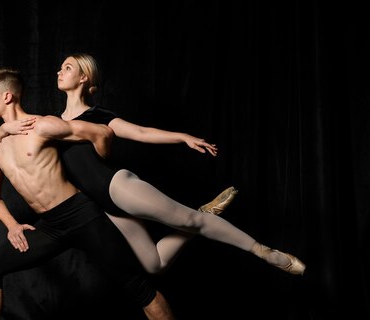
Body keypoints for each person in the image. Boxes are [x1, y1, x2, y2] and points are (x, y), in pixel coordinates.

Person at [0, 68, 209, 320]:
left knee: (135, 283)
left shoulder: (43, 125)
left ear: (8, 96)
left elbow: (102, 133)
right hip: (50, 225)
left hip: (81, 214)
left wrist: (100, 177)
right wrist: (12, 225)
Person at [34, 53, 306, 276]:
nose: (59, 71)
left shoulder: (99, 116)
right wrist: (1, 132)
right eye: (59, 67)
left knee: (190, 220)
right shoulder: (51, 125)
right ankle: (204, 214)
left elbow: (140, 133)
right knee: (154, 264)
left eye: (67, 67)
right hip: (104, 206)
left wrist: (182, 137)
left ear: (84, 77)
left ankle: (264, 251)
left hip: (116, 186)